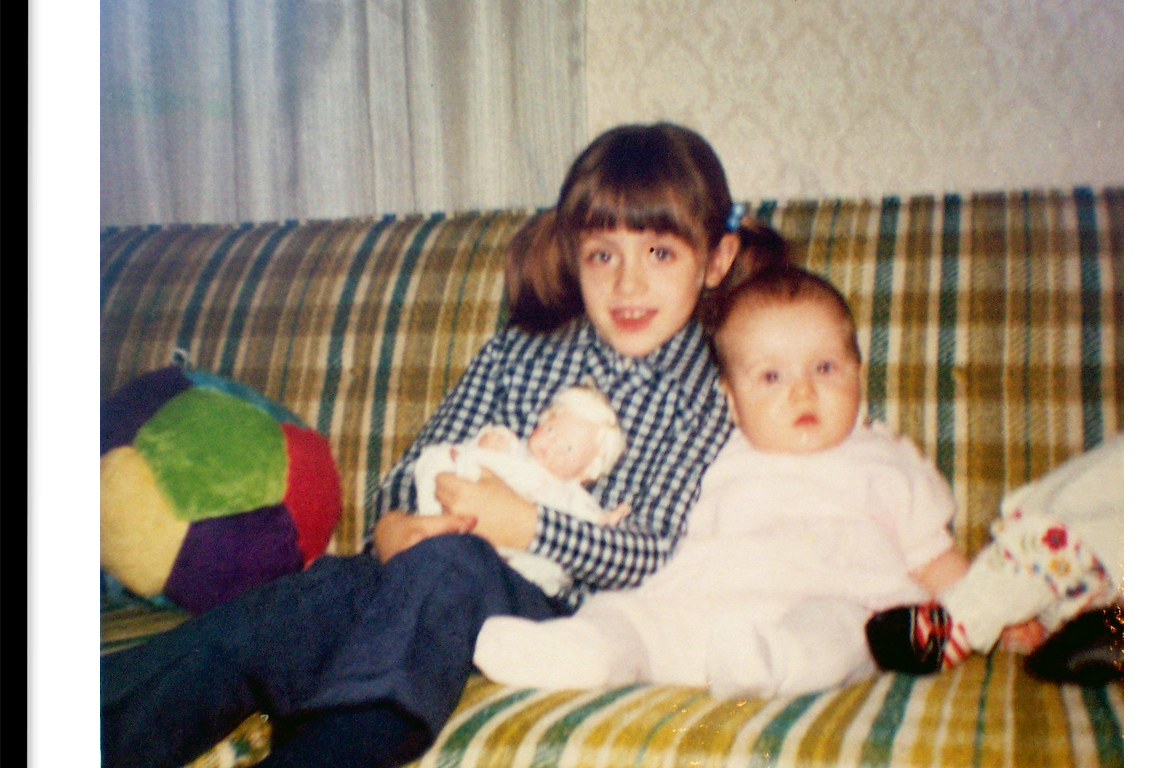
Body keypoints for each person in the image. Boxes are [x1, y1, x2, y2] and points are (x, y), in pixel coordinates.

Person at [100, 122, 791, 768]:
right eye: (603, 254)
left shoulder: (710, 392)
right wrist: (398, 523)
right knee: (321, 589)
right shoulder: (522, 349)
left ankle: (344, 740)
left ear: (716, 259)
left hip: (557, 607)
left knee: (453, 565)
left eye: (660, 253)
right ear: (573, 256)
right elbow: (415, 465)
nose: (628, 282)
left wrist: (530, 525)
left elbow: (658, 549)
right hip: (424, 570)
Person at [473, 264, 975, 697]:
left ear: (857, 376)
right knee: (627, 616)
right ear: (732, 401)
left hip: (829, 597)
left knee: (841, 630)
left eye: (824, 368)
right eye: (771, 377)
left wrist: (992, 610)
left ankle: (774, 665)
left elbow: (934, 559)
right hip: (704, 605)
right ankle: (582, 653)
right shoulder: (717, 450)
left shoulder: (887, 461)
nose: (803, 391)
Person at [865, 434, 1123, 677]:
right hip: (1075, 533)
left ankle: (1076, 632)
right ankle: (965, 618)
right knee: (1057, 543)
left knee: (1057, 559)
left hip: (1094, 584)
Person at [414, 384, 630, 596]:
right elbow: (480, 461)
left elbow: (590, 527)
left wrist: (607, 519)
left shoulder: (573, 496)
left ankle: (515, 579)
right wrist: (486, 442)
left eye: (569, 448)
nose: (552, 445)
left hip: (518, 563)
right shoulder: (514, 451)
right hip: (466, 527)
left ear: (586, 472)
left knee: (549, 570)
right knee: (436, 457)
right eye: (550, 430)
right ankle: (430, 523)